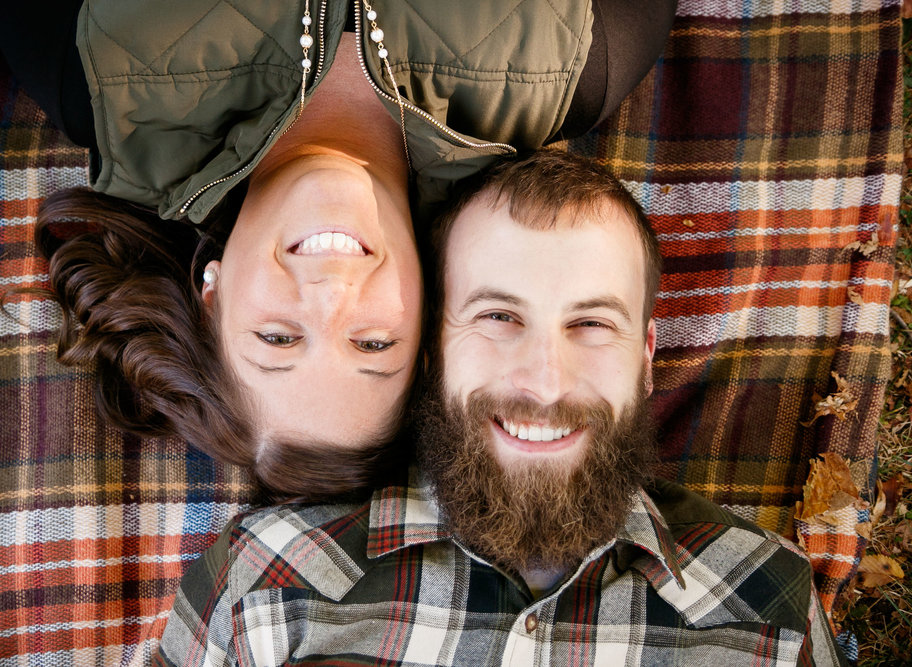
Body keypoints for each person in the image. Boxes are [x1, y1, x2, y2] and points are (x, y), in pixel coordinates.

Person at [155, 150, 846, 665]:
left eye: (590, 325)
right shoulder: (268, 578)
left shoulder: (764, 604)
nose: (544, 382)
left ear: (644, 355)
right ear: (432, 353)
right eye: (497, 317)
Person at [0, 1, 677, 499]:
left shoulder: (79, 65)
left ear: (212, 294)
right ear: (433, 312)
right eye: (373, 344)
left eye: (277, 336)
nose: (327, 293)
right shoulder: (584, 62)